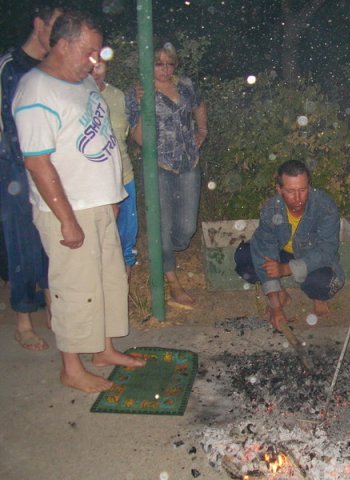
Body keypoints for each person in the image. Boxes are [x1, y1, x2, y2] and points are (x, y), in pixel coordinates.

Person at [13, 10, 145, 393]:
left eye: (97, 52)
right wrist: (67, 220)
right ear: (62, 45)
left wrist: (112, 195)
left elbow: (100, 136)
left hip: (99, 204)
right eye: (88, 51)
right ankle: (71, 368)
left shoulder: (83, 80)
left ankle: (103, 350)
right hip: (69, 209)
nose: (94, 59)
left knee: (107, 282)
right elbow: (37, 163)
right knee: (74, 290)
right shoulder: (36, 91)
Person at [0, 5, 64, 351]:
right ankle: (23, 321)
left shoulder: (53, 66)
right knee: (22, 243)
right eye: (55, 25)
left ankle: (53, 307)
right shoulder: (9, 66)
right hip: (14, 169)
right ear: (39, 24)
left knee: (52, 238)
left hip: (51, 164)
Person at [126, 41, 207, 308]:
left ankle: (160, 252)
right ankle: (172, 280)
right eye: (158, 64)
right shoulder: (137, 92)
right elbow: (139, 138)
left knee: (186, 228)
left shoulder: (185, 85)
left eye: (170, 63)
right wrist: (143, 106)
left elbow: (198, 105)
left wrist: (202, 131)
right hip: (158, 167)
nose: (165, 69)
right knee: (162, 226)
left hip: (188, 163)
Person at [234, 160, 345, 330]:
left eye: (303, 190)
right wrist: (275, 307)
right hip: (282, 253)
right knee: (244, 256)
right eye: (291, 191)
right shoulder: (271, 209)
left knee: (321, 283)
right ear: (279, 190)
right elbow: (265, 252)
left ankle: (317, 297)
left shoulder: (324, 206)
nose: (298, 198)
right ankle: (280, 293)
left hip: (312, 257)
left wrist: (287, 269)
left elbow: (327, 250)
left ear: (309, 186)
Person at [91, 58, 138, 278]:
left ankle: (123, 291)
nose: (94, 71)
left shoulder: (119, 97)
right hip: (91, 186)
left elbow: (132, 136)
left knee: (125, 240)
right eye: (89, 65)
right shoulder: (70, 96)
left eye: (99, 65)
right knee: (96, 244)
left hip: (123, 177)